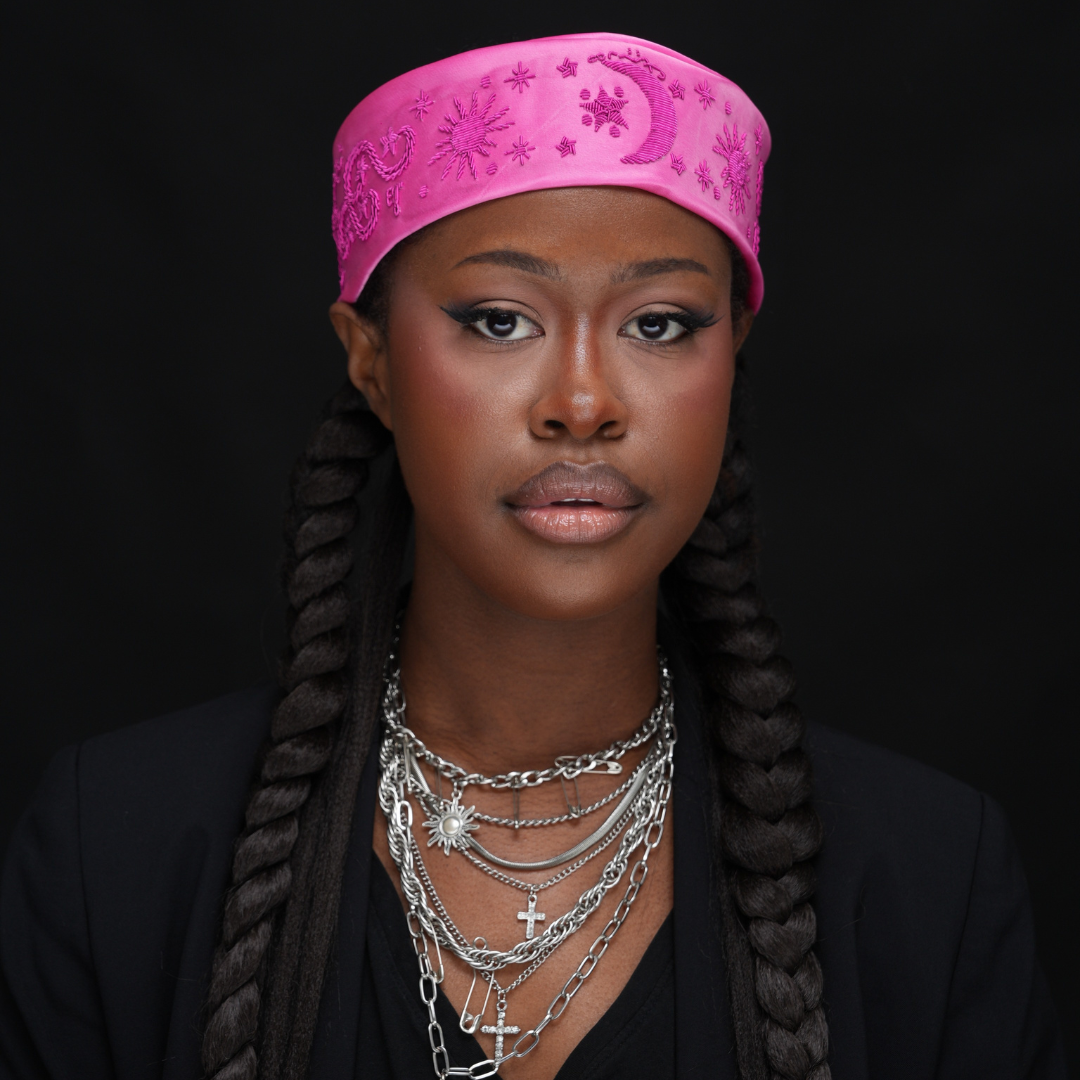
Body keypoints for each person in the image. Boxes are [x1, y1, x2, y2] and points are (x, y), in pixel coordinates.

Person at [0, 31, 1067, 1080]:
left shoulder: (928, 878)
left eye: (660, 324)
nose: (584, 403)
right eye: (502, 321)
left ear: (731, 357)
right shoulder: (117, 850)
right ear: (372, 362)